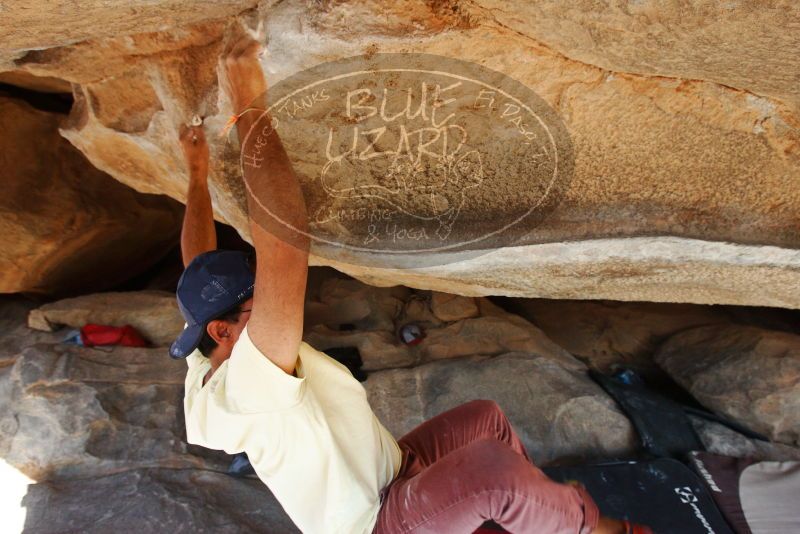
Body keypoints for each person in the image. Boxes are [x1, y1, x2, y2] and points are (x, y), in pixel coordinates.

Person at [170, 31, 652, 534]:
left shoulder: (205, 354)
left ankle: (529, 519)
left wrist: (196, 171)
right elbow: (286, 247)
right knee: (491, 473)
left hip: (392, 470)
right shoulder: (249, 384)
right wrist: (249, 104)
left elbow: (198, 266)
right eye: (259, 301)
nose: (277, 304)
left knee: (484, 420)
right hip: (378, 522)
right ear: (225, 331)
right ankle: (595, 530)